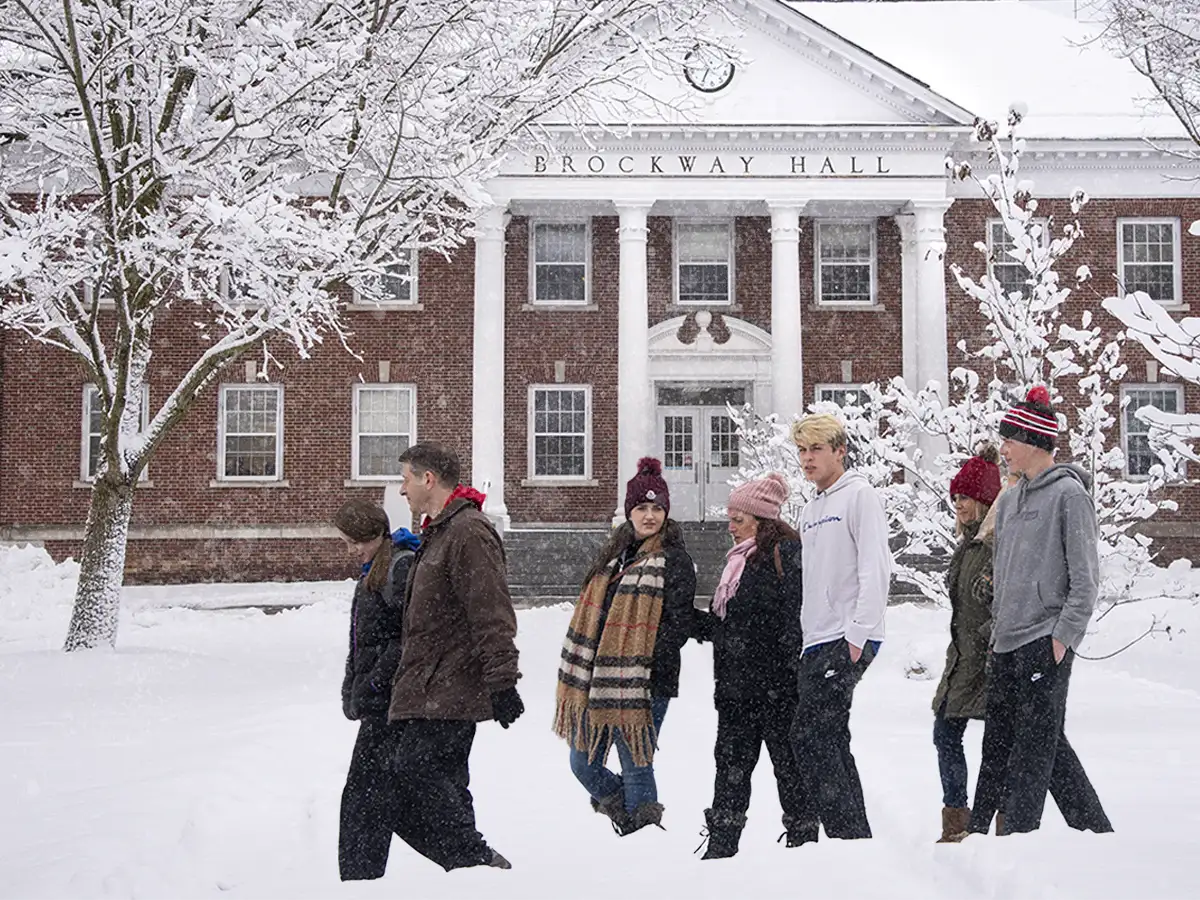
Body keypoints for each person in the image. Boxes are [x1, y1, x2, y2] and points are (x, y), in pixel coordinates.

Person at [960, 386, 1113, 837]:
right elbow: (1004, 575)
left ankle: (1015, 840)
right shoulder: (1009, 501)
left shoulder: (1069, 496)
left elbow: (1085, 579)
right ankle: (984, 830)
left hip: (1044, 640)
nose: (1002, 448)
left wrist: (1062, 638)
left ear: (1035, 442)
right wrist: (995, 634)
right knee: (1008, 744)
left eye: (1010, 439)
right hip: (1005, 643)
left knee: (1032, 748)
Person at [387, 441, 525, 870]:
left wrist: (503, 680)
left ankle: (473, 860)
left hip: (451, 688)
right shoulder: (441, 531)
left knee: (412, 775)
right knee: (437, 782)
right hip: (429, 687)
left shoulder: (468, 532)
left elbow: (491, 610)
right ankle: (469, 868)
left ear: (429, 479)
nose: (401, 490)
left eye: (406, 479)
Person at [554, 457, 697, 836]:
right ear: (629, 511)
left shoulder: (675, 560)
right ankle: (634, 817)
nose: (649, 516)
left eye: (656, 508)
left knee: (635, 761)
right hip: (596, 679)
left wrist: (643, 661)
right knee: (582, 763)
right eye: (641, 508)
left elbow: (678, 623)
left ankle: (642, 838)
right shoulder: (614, 556)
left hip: (647, 679)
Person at [692, 473, 813, 859]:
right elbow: (728, 625)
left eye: (738, 519)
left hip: (776, 692)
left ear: (762, 521)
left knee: (789, 771)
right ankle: (721, 848)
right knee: (729, 770)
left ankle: (805, 848)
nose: (730, 527)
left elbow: (794, 621)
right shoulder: (736, 565)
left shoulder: (786, 557)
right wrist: (685, 618)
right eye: (730, 518)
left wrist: (782, 672)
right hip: (735, 692)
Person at [788, 413, 890, 841]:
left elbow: (876, 565)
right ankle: (857, 837)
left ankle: (849, 836)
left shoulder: (859, 496)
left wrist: (858, 633)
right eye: (802, 450)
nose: (807, 459)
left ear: (840, 451)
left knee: (809, 736)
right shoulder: (811, 508)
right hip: (816, 639)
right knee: (828, 737)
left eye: (816, 449)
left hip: (845, 637)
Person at [335, 499, 422, 880]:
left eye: (357, 542)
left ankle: (362, 877)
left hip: (389, 703)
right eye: (347, 543)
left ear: (377, 536)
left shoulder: (398, 567)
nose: (352, 551)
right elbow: (364, 640)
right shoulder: (375, 568)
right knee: (372, 793)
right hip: (376, 700)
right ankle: (362, 874)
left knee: (366, 796)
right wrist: (352, 684)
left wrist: (374, 682)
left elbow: (406, 637)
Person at [931, 447, 1002, 842]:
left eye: (966, 498)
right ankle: (957, 822)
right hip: (961, 662)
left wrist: (989, 642)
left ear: (985, 501)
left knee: (997, 747)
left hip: (988, 663)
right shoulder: (968, 546)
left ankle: (1002, 825)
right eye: (956, 498)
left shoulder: (994, 546)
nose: (959, 505)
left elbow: (1005, 603)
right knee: (945, 735)